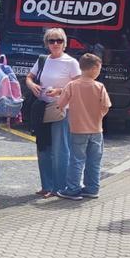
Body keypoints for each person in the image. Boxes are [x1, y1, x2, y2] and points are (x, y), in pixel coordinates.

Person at [25, 27, 81, 198]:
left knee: (60, 150)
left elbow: (79, 85)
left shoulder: (71, 62)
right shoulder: (43, 60)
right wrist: (32, 84)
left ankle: (59, 187)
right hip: (42, 108)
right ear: (47, 43)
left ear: (65, 43)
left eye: (59, 40)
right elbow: (29, 77)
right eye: (52, 41)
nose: (55, 44)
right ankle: (46, 186)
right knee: (43, 148)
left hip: (61, 109)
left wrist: (59, 91)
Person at [52, 53, 111, 200]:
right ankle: (92, 188)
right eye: (99, 68)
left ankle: (73, 189)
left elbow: (60, 104)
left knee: (77, 160)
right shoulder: (100, 86)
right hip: (97, 129)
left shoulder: (72, 85)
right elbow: (106, 106)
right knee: (94, 160)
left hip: (78, 129)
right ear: (94, 68)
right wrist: (98, 116)